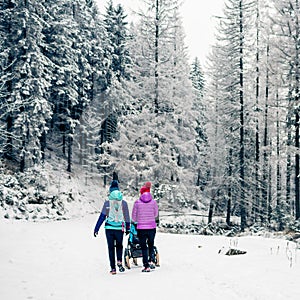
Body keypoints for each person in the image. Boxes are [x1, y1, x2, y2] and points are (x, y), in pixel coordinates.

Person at [94, 190, 130, 275]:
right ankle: (119, 261)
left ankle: (113, 268)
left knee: (111, 248)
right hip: (119, 229)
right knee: (119, 246)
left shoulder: (107, 204)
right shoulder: (124, 204)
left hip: (109, 228)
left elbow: (102, 217)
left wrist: (96, 229)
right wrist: (128, 228)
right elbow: (127, 217)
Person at [131, 190, 159, 272]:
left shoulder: (137, 202)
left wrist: (138, 220)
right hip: (151, 227)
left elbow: (134, 217)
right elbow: (156, 214)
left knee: (143, 247)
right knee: (151, 244)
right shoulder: (154, 202)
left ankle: (146, 265)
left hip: (141, 228)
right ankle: (152, 261)